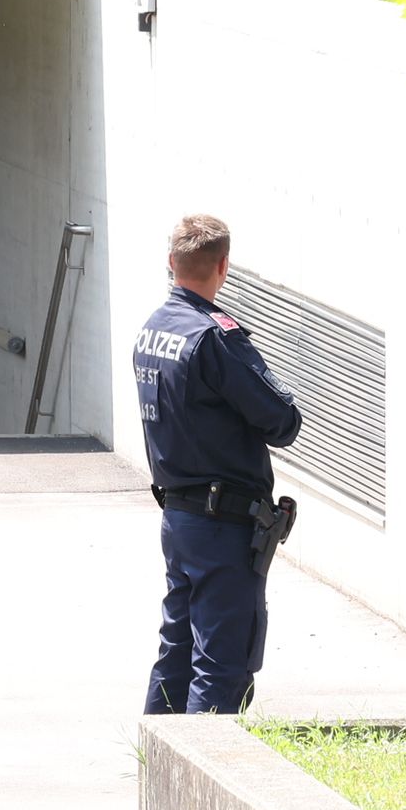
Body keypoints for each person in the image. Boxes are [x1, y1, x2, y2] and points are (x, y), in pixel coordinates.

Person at [134, 212, 301, 715]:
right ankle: (203, 772)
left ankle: (157, 772)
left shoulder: (154, 329)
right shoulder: (214, 337)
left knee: (176, 653)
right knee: (222, 662)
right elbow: (282, 422)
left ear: (171, 263)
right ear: (223, 266)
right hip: (222, 525)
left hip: (179, 516)